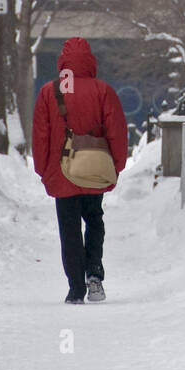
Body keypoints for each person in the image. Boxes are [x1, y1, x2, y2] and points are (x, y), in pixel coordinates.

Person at [32, 37, 128, 304]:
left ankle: (75, 288)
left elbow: (41, 135)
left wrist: (43, 169)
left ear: (62, 61)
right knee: (94, 219)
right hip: (95, 167)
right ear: (90, 60)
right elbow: (117, 132)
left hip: (61, 170)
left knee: (69, 228)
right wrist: (117, 165)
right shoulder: (103, 90)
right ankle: (94, 276)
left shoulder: (50, 91)